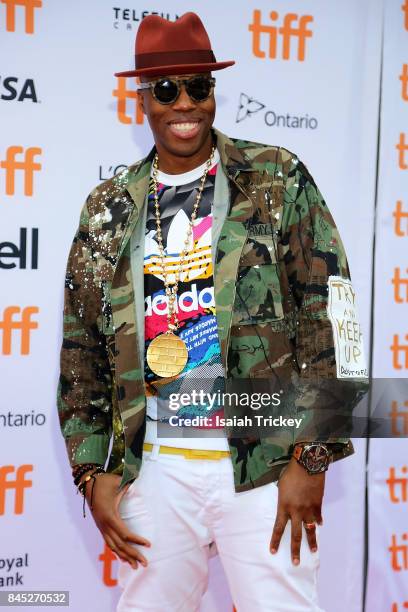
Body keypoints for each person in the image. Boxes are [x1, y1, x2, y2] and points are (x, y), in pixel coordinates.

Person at [57, 11, 368, 612]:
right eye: (167, 89)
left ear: (214, 91)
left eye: (199, 86)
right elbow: (81, 351)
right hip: (154, 469)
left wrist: (312, 458)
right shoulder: (109, 208)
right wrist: (91, 471)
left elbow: (334, 318)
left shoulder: (275, 178)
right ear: (142, 99)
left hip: (266, 462)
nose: (185, 104)